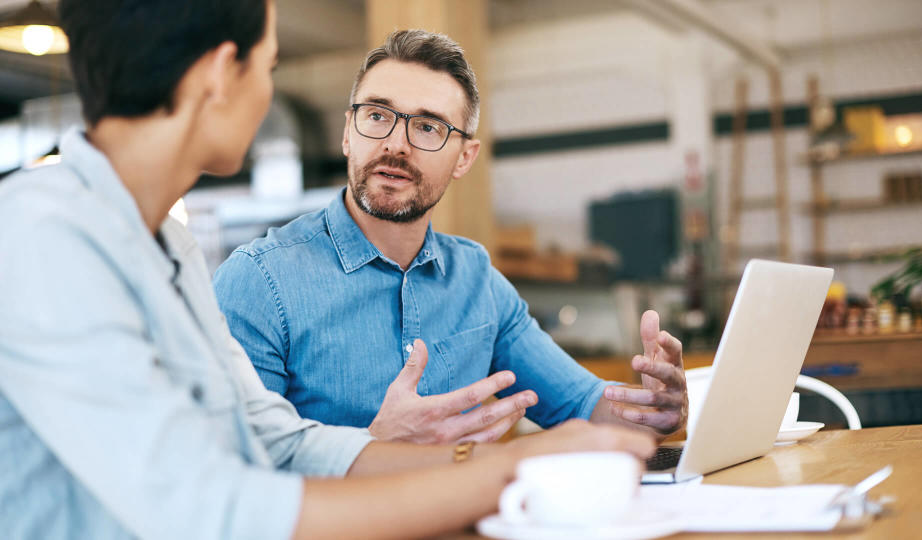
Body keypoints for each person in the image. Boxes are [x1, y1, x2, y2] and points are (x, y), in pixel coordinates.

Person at [0, 2, 658, 539]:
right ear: (222, 74)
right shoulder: (39, 234)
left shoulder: (168, 244)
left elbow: (281, 444)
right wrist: (511, 471)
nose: (267, 94)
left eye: (429, 127)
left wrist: (509, 456)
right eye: (270, 66)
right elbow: (210, 508)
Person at [213, 29, 689, 445]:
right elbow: (232, 474)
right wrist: (375, 444)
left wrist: (654, 412)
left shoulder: (476, 280)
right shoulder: (258, 281)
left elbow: (585, 406)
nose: (395, 143)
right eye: (377, 115)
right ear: (347, 133)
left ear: (464, 158)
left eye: (427, 127)